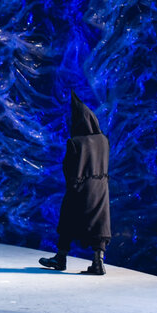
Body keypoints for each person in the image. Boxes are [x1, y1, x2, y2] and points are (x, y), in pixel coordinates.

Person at [39, 91, 111, 275]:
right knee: (99, 223)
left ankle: (61, 258)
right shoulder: (104, 141)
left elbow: (68, 167)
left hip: (79, 187)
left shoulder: (76, 142)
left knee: (68, 220)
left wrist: (74, 181)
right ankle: (98, 262)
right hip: (101, 189)